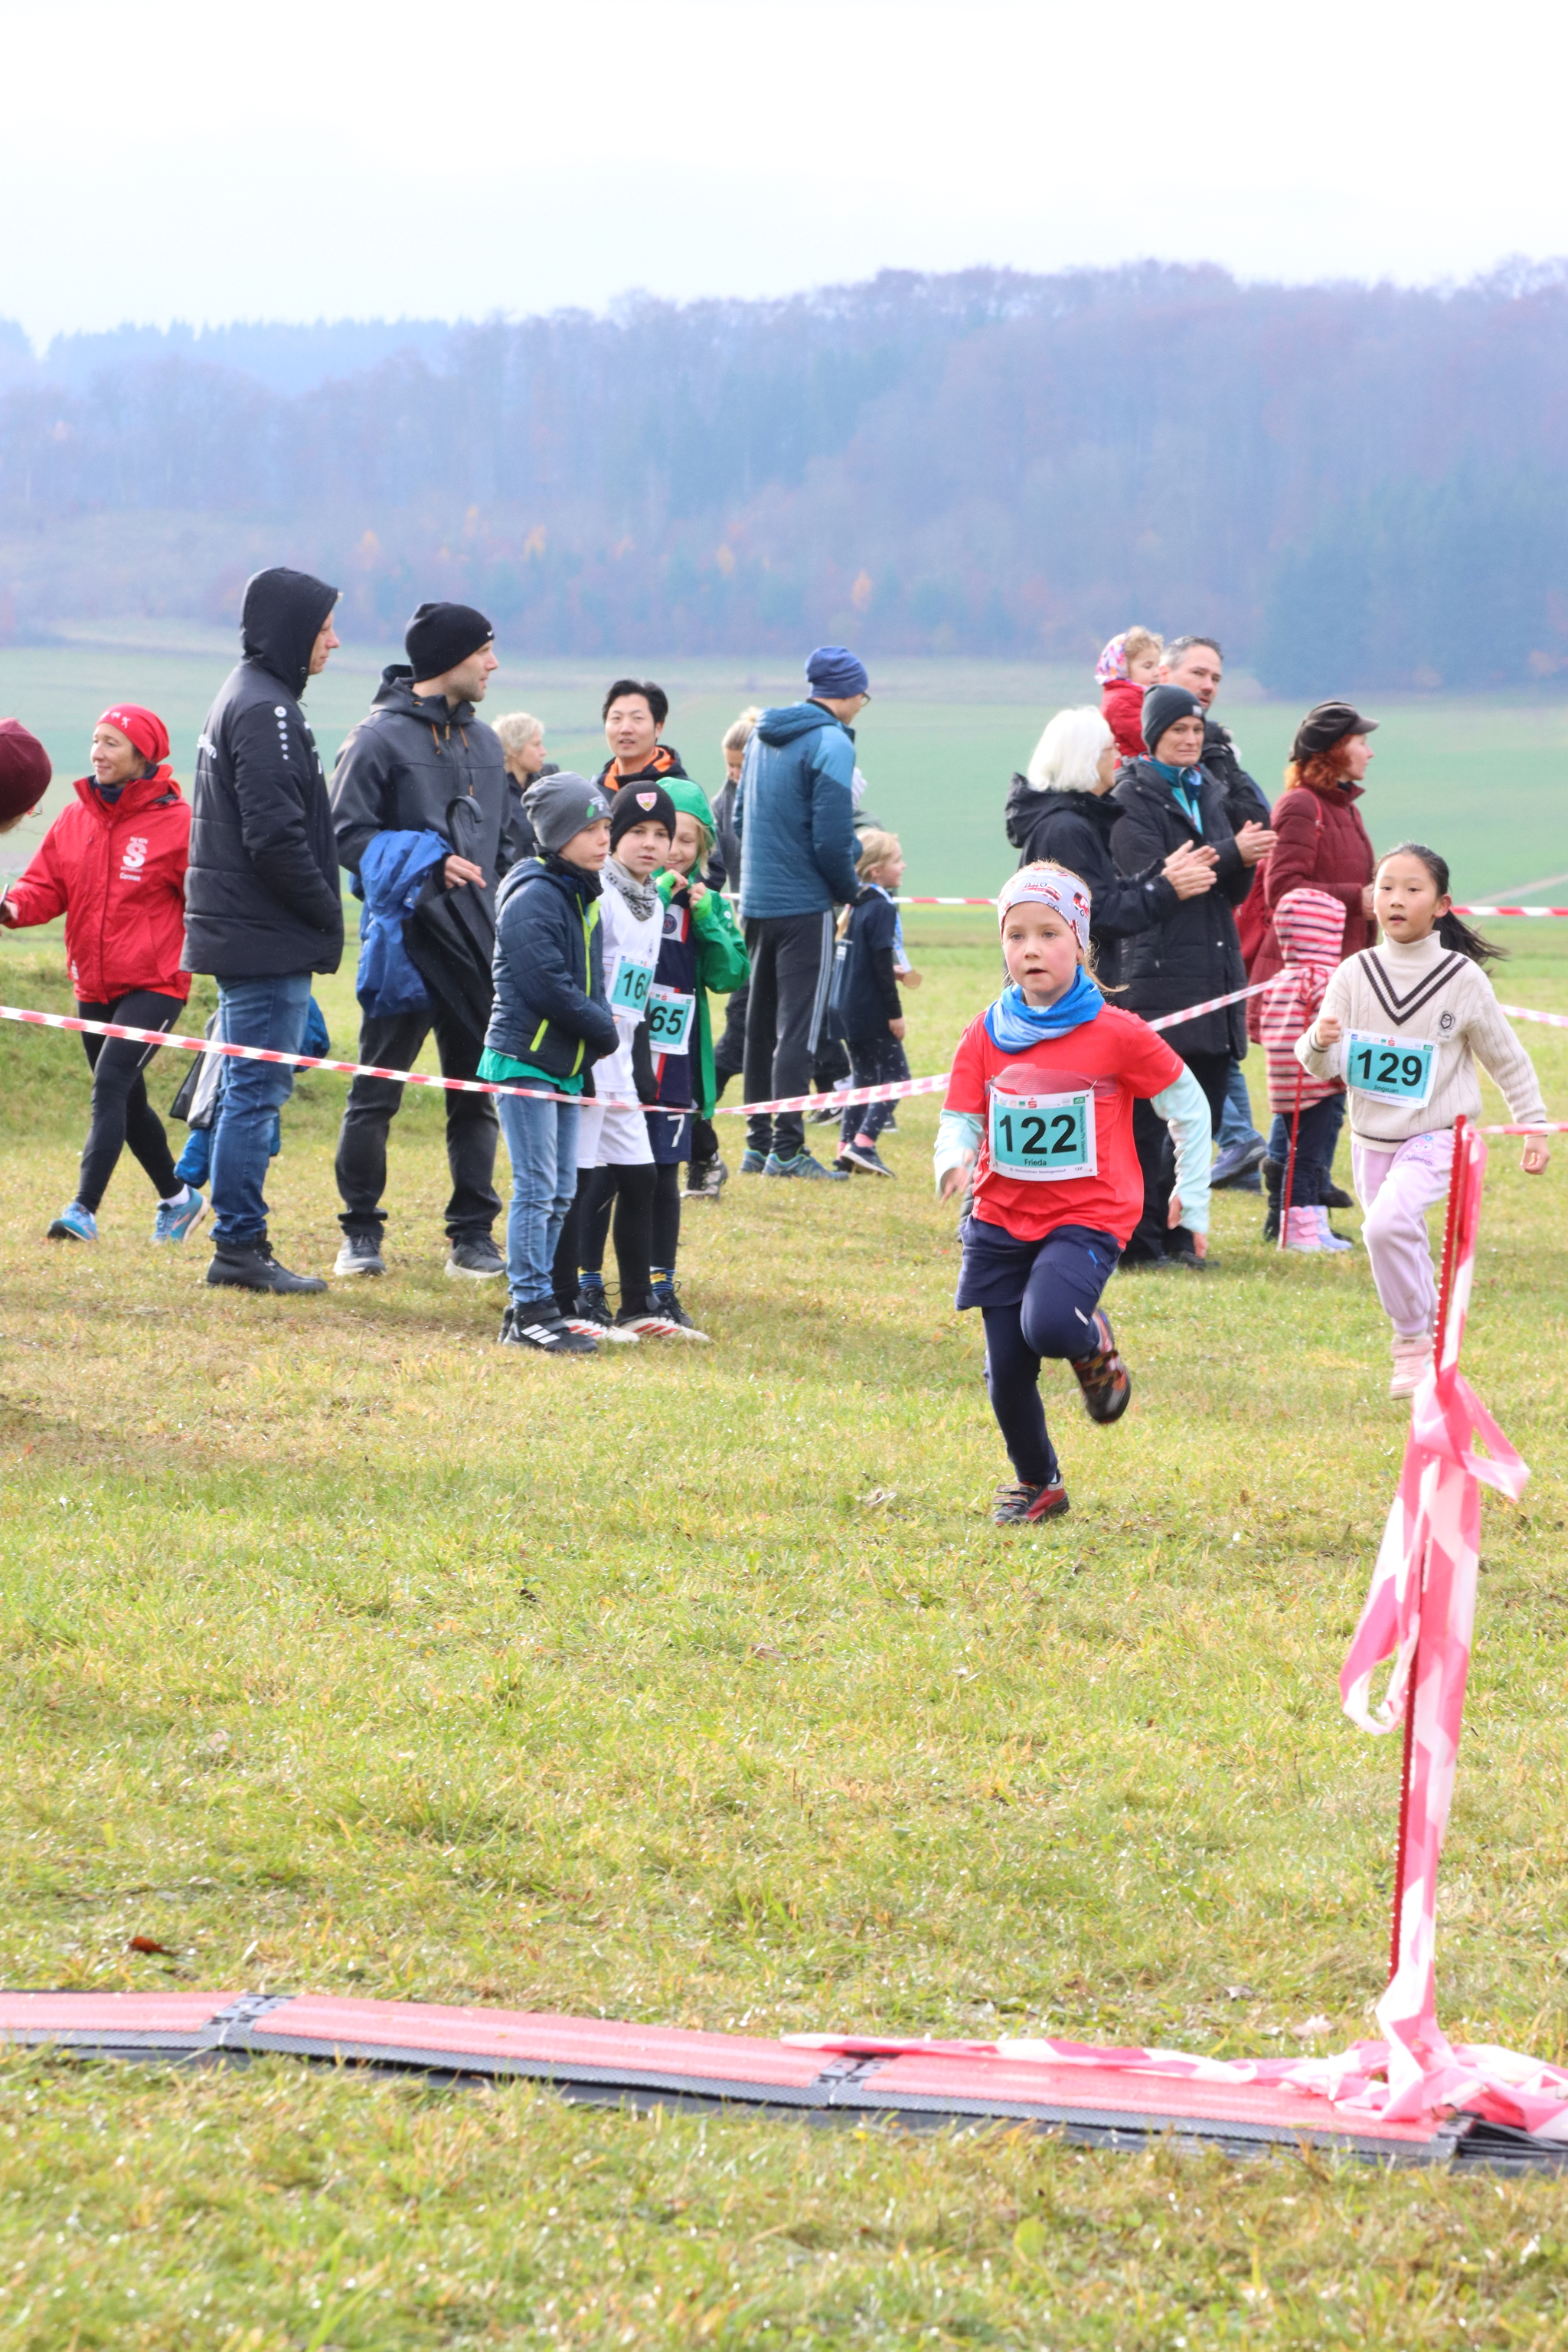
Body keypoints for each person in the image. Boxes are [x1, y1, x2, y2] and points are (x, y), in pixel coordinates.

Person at [935, 865, 1212, 1525]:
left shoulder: (1118, 1032)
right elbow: (961, 1115)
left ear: (1081, 943)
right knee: (1006, 1372)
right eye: (1017, 936)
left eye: (1049, 934)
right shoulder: (986, 1032)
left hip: (1087, 1217)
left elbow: (1189, 1106)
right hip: (999, 1217)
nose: (1031, 949)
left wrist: (1193, 1195)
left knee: (1052, 1324)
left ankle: (1094, 1343)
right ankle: (1040, 1483)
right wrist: (952, 1158)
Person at [1297, 843, 1549, 1396]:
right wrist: (1318, 1041)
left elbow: (1506, 1058)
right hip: (1371, 1139)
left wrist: (1534, 1125)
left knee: (1386, 1224)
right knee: (1393, 1235)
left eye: (1413, 889)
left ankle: (1411, 1342)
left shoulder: (1462, 978)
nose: (1397, 899)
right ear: (1372, 898)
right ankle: (1429, 1336)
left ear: (1441, 905)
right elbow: (1322, 1064)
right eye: (1386, 887)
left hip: (1438, 1135)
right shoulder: (1354, 973)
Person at [329, 602, 514, 1281]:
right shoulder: (374, 740)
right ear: (449, 659)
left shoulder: (487, 744)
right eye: (484, 651)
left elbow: (506, 844)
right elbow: (345, 835)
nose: (493, 664)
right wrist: (427, 863)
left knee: (476, 1095)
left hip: (478, 946)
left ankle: (473, 1237)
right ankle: (360, 1235)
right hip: (402, 944)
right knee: (376, 1095)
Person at [182, 566, 345, 1293]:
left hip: (247, 928)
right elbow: (275, 837)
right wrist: (325, 909)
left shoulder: (248, 695)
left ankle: (238, 1240)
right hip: (264, 934)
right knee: (255, 1090)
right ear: (292, 630)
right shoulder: (266, 709)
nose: (333, 643)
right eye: (324, 628)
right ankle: (240, 1245)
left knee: (247, 1085)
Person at [1, 704, 204, 1244]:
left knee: (111, 1084)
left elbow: (207, 903)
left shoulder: (179, 824)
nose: (97, 752)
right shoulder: (75, 818)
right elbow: (44, 886)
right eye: (95, 740)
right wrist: (11, 907)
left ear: (143, 755)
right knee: (127, 1099)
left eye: (112, 742)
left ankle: (83, 1210)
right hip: (92, 982)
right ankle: (179, 1199)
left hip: (156, 984)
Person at [1109, 683, 1276, 1267]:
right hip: (1159, 979)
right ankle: (1140, 1241)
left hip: (1214, 973)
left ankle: (1182, 1236)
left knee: (1199, 1122)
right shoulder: (1131, 797)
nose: (1189, 739)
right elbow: (1152, 876)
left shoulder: (1209, 790)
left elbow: (1230, 883)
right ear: (1154, 735)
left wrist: (1237, 855)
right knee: (1151, 1125)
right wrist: (1231, 853)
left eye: (1197, 730)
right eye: (1178, 729)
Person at [480, 771, 618, 1356]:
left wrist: (589, 1051)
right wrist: (605, 1032)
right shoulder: (534, 894)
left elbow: (592, 984)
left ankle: (535, 1308)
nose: (604, 838)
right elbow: (548, 987)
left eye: (606, 825)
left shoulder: (580, 893)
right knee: (536, 1190)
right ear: (558, 835)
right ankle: (530, 1310)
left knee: (561, 1192)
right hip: (524, 1062)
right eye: (591, 828)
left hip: (562, 1065)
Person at [733, 645, 868, 1181]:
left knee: (759, 1025)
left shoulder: (761, 737)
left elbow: (739, 819)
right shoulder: (832, 742)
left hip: (756, 901)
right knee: (799, 1030)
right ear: (851, 693)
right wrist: (850, 888)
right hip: (805, 906)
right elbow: (832, 839)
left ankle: (756, 1145)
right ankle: (788, 1151)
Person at [1250, 700, 1379, 1239]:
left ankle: (1287, 1212)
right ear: (1333, 750)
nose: (1370, 752)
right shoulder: (1302, 806)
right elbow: (1283, 889)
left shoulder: (1345, 809)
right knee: (1317, 1099)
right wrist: (1359, 899)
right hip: (1307, 977)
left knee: (1310, 1100)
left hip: (1341, 971)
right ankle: (1298, 1210)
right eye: (1361, 742)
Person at [567, 782, 688, 1340]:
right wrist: (590, 1059)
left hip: (623, 1065)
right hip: (589, 1062)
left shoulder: (653, 901)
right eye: (637, 832)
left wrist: (640, 1064)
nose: (650, 844)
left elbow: (637, 994)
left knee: (640, 1177)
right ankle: (571, 1299)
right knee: (581, 1181)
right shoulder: (599, 894)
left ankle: (638, 1305)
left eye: (661, 834)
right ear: (612, 837)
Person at [1158, 634, 1275, 1191]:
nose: (1208, 686)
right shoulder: (1142, 740)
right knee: (1190, 1041)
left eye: (1216, 678)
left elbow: (1255, 817)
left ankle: (1238, 1147)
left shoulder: (1213, 746)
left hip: (1208, 914)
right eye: (1198, 674)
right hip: (1160, 919)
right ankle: (1238, 1143)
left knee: (1214, 1040)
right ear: (1164, 672)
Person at [1004, 707, 1219, 989]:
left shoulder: (1073, 821)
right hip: (1063, 995)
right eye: (1111, 749)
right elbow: (1097, 916)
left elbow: (1101, 894)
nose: (1118, 756)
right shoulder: (1066, 829)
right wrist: (1166, 889)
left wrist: (1161, 874)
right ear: (1088, 759)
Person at [640, 778, 750, 1325]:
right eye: (667, 838)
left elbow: (730, 974)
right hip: (625, 1058)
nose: (676, 852)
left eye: (688, 841)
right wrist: (660, 891)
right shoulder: (633, 891)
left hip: (678, 1061)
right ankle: (595, 1283)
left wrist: (706, 918)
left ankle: (661, 1285)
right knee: (615, 1174)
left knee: (665, 1172)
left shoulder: (708, 903)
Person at [1257, 887, 1352, 1253]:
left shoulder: (1283, 978)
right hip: (1315, 1082)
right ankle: (1299, 1230)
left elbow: (1268, 1027)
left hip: (1284, 1083)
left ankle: (1312, 1223)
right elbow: (1334, 1030)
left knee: (1297, 1153)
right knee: (1308, 1158)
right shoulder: (1324, 980)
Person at [690, 705, 760, 1197]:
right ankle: (703, 1108)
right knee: (740, 1028)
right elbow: (714, 870)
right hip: (741, 926)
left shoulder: (771, 802)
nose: (733, 775)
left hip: (767, 923)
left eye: (741, 766)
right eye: (729, 766)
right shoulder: (720, 804)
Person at [829, 830, 906, 1178]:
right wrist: (895, 1014)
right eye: (897, 861)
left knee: (863, 1080)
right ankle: (864, 1144)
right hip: (871, 1010)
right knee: (898, 1078)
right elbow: (879, 964)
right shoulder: (882, 907)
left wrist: (891, 970)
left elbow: (863, 959)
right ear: (877, 870)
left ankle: (843, 1151)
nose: (903, 866)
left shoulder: (854, 903)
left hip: (845, 1008)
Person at [596, 678, 689, 793]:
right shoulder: (596, 792)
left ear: (658, 728)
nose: (625, 729)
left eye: (637, 718)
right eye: (616, 718)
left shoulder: (681, 792)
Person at [493, 710, 558, 860]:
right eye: (536, 745)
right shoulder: (494, 792)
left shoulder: (549, 783)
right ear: (513, 748)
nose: (543, 752)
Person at [1095, 627, 1163, 760]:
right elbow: (1148, 741)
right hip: (1132, 768)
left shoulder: (1139, 696)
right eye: (1148, 666)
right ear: (1123, 668)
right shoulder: (1122, 701)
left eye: (1157, 666)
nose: (1157, 673)